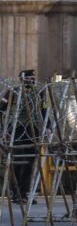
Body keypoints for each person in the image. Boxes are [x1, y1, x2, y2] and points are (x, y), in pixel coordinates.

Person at [0, 69, 44, 200]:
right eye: (30, 78)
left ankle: (24, 193)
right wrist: (4, 130)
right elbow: (1, 108)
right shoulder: (13, 92)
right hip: (16, 129)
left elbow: (44, 110)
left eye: (33, 78)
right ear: (23, 80)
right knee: (19, 160)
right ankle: (15, 192)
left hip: (33, 130)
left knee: (30, 161)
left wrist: (47, 128)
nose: (33, 80)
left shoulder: (40, 92)